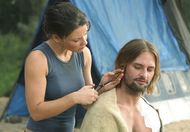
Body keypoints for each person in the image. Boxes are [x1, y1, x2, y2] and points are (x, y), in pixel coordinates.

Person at [24, 2, 123, 132]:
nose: (85, 42)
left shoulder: (84, 54)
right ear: (57, 38)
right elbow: (36, 112)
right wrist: (74, 97)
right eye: (76, 40)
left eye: (86, 34)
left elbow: (87, 104)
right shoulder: (38, 59)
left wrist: (102, 87)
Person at [80, 39, 163, 132]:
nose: (144, 75)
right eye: (137, 67)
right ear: (122, 65)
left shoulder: (150, 112)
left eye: (150, 69)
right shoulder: (102, 110)